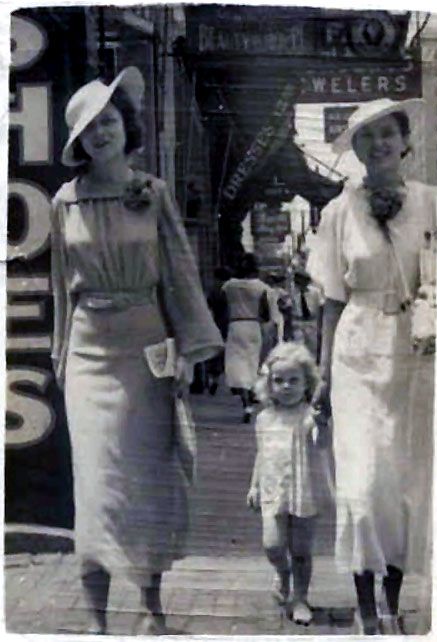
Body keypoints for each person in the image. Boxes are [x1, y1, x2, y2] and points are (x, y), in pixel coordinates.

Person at [50, 67, 223, 635]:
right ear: (78, 141)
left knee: (147, 479)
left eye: (110, 121)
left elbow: (177, 274)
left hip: (147, 349)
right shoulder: (65, 201)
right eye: (90, 127)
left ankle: (151, 610)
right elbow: (59, 288)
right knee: (95, 486)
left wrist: (186, 353)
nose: (102, 133)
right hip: (88, 356)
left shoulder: (153, 193)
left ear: (127, 126)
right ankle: (98, 622)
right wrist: (59, 355)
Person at [310, 98, 437, 635]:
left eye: (388, 133)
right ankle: (366, 610)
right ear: (356, 150)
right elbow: (333, 298)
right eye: (367, 136)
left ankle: (391, 602)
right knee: (361, 485)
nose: (379, 144)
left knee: (405, 484)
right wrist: (322, 372)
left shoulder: (433, 204)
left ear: (404, 142)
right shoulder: (339, 211)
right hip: (357, 349)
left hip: (417, 351)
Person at [246, 342, 326, 625]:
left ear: (307, 383)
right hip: (272, 489)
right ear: (268, 384)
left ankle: (301, 597)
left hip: (304, 489)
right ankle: (282, 572)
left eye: (294, 380)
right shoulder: (265, 418)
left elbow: (323, 445)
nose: (286, 386)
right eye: (279, 381)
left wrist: (323, 424)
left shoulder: (309, 417)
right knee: (272, 544)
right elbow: (261, 454)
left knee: (302, 550)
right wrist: (254, 485)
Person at [222, 253, 270, 423]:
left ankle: (246, 403)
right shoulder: (260, 287)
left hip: (235, 325)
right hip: (253, 326)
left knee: (237, 364)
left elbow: (223, 306)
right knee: (252, 363)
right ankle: (251, 393)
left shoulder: (229, 286)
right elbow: (265, 313)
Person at [205, 266, 232, 395]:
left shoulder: (213, 290)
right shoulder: (231, 290)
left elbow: (208, 306)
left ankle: (213, 379)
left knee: (215, 354)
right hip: (231, 323)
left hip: (215, 323)